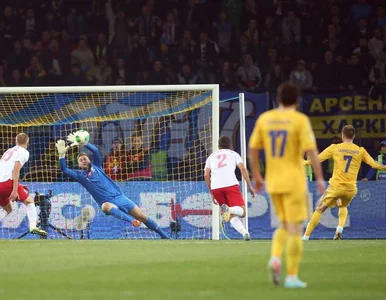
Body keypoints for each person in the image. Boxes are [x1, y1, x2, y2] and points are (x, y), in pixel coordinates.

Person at [248, 82, 325, 288]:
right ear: (298, 101)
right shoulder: (299, 120)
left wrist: (256, 174)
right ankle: (291, 276)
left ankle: (275, 257)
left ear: (278, 99)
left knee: (283, 225)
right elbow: (312, 152)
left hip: (273, 181)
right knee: (295, 228)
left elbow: (253, 148)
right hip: (294, 181)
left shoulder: (265, 119)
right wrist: (319, 178)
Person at [55, 133, 169, 239]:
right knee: (105, 206)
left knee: (142, 216)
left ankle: (164, 236)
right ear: (79, 164)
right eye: (80, 160)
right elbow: (64, 169)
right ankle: (132, 221)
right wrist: (61, 155)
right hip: (107, 201)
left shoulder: (97, 167)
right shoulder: (79, 176)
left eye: (85, 158)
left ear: (89, 160)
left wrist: (84, 143)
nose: (83, 160)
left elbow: (95, 150)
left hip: (120, 197)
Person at [303, 125, 386, 241]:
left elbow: (316, 160)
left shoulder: (334, 148)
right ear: (354, 136)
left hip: (336, 186)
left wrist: (305, 162)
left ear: (342, 135)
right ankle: (340, 228)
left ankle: (306, 236)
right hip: (351, 189)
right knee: (343, 205)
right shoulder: (360, 150)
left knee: (320, 208)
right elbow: (374, 164)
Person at [204, 136, 256, 241]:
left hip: (216, 187)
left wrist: (212, 192)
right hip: (230, 184)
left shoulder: (211, 156)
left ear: (218, 146)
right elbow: (242, 168)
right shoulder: (234, 154)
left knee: (231, 215)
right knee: (243, 211)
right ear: (230, 145)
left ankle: (245, 233)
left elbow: (206, 175)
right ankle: (229, 209)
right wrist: (250, 186)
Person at [0, 133, 47, 237]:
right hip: (8, 183)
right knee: (30, 202)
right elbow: (15, 171)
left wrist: (18, 185)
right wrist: (15, 190)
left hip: (2, 183)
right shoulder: (24, 152)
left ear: (15, 141)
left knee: (8, 209)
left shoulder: (9, 151)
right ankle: (33, 226)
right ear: (28, 141)